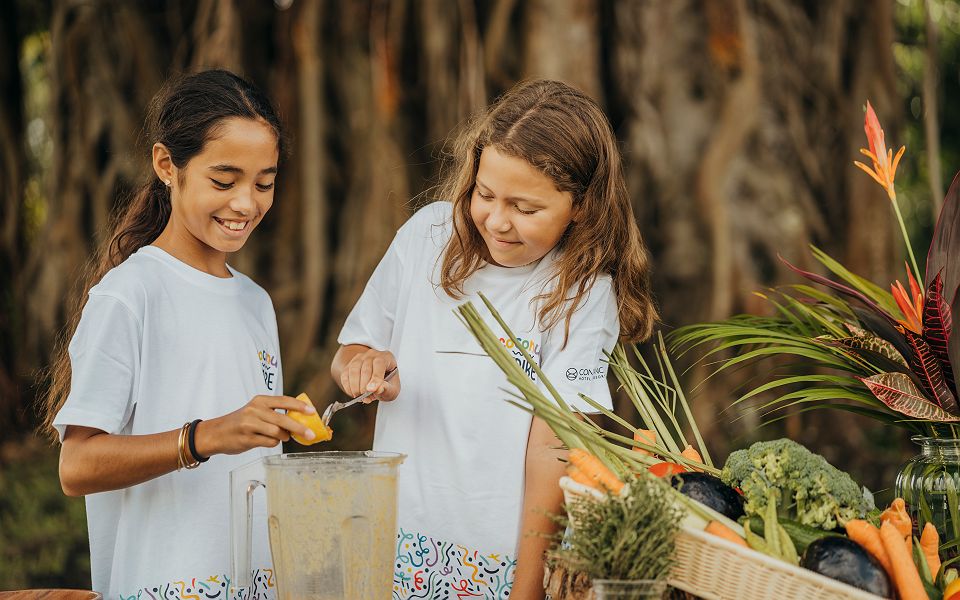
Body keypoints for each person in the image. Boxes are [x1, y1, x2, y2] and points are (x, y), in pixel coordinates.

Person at [331, 79, 658, 599]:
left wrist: (524, 590)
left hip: (499, 560)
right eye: (485, 194)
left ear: (582, 206)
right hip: (393, 539)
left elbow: (556, 446)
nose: (497, 221)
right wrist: (363, 366)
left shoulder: (582, 292)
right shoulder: (427, 236)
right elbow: (354, 348)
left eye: (525, 209)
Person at [42, 69, 314, 600]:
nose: (245, 204)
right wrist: (202, 437)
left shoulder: (256, 303)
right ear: (168, 165)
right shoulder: (130, 295)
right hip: (164, 585)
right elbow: (76, 466)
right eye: (223, 180)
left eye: (265, 183)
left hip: (257, 584)